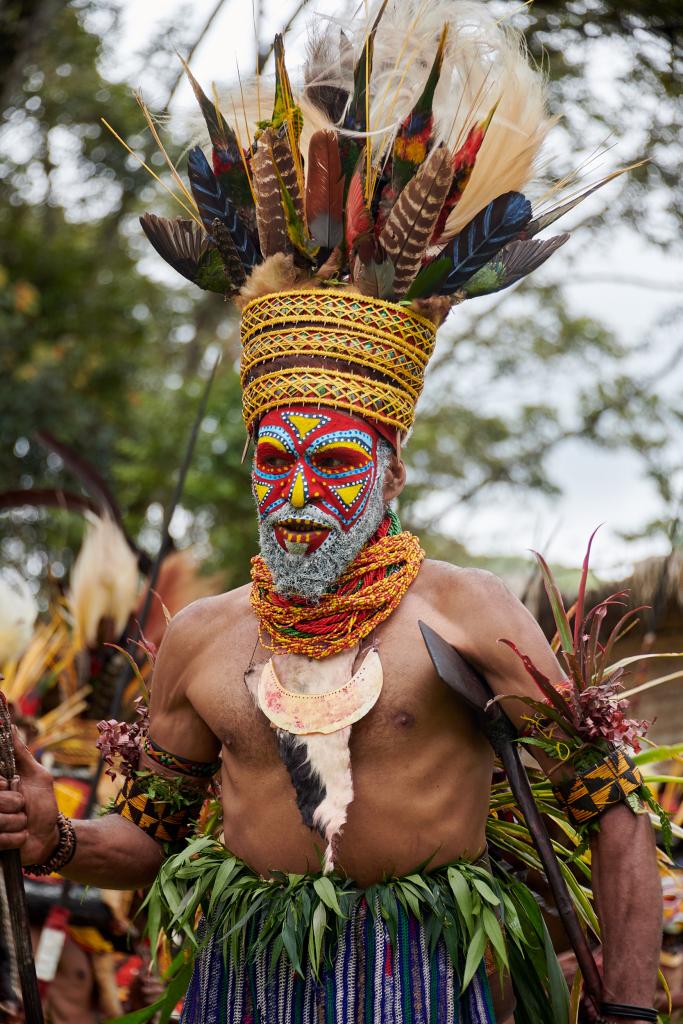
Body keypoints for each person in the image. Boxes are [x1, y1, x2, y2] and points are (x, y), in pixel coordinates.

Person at [0, 3, 663, 1021]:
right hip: (245, 987)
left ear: (391, 471)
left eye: (336, 460)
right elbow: (149, 841)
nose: (297, 492)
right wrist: (52, 836)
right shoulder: (207, 639)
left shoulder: (465, 615)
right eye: (273, 458)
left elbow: (611, 811)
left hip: (425, 987)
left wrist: (621, 1009)